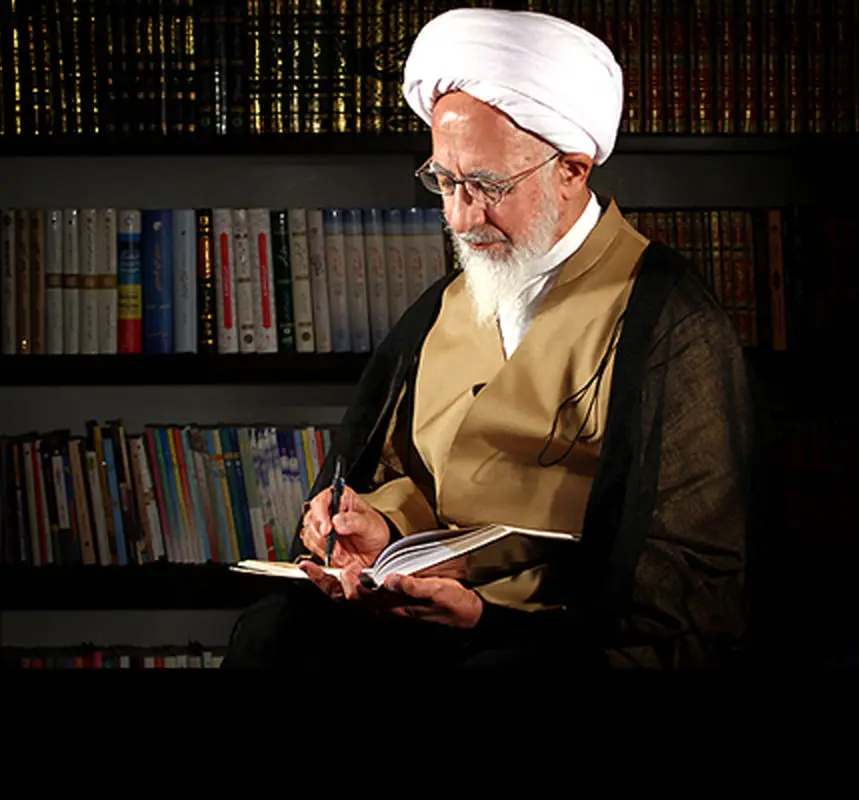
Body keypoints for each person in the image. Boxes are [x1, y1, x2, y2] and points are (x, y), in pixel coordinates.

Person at [221, 7, 754, 669]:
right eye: (444, 180)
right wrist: (379, 524)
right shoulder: (445, 305)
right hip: (425, 605)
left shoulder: (668, 319)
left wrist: (486, 616)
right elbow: (414, 473)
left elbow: (683, 565)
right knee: (276, 634)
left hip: (565, 629)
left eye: (487, 185)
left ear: (573, 169)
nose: (460, 215)